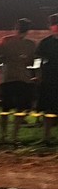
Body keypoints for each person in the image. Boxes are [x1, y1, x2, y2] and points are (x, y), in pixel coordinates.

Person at [0, 17, 37, 144]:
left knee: (6, 108)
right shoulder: (30, 44)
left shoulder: (5, 41)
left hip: (8, 78)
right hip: (21, 78)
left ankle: (4, 135)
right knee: (19, 108)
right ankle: (14, 136)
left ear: (15, 28)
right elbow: (31, 61)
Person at [36, 13, 58, 144]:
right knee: (48, 109)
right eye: (53, 24)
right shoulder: (45, 43)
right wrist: (38, 75)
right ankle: (46, 137)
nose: (56, 27)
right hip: (49, 80)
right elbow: (38, 60)